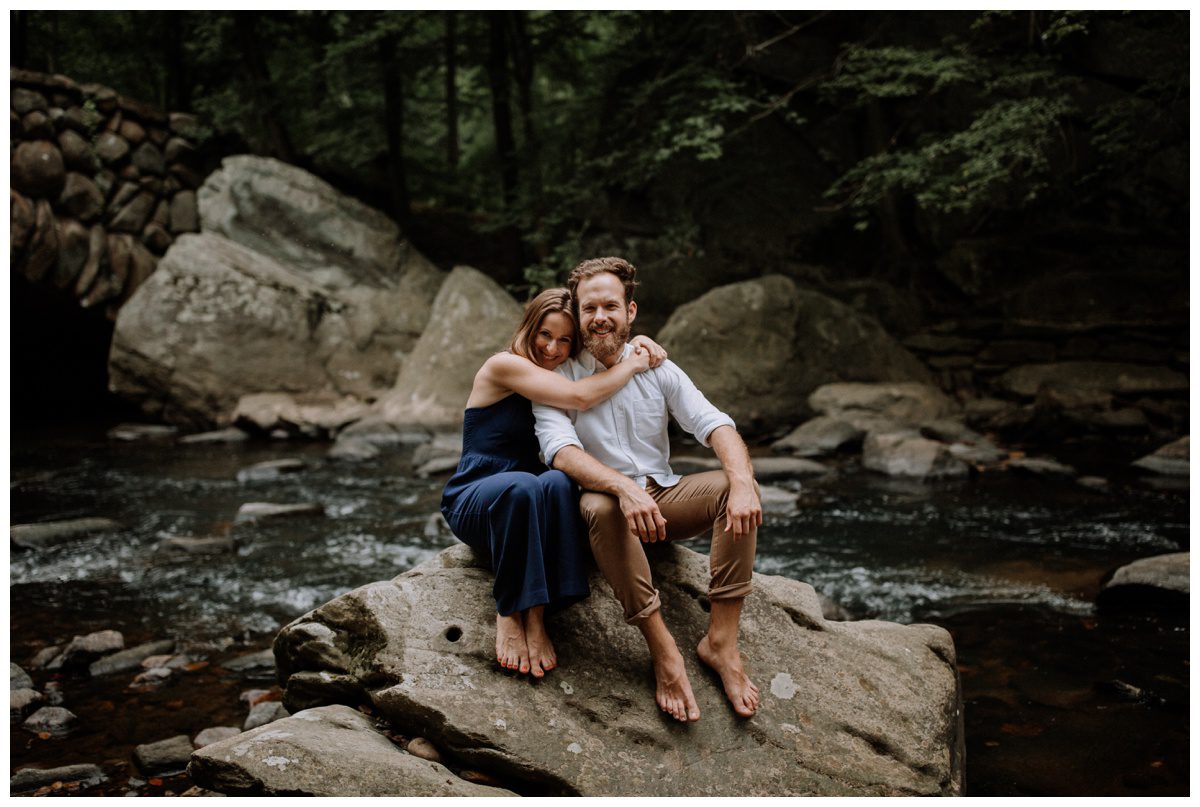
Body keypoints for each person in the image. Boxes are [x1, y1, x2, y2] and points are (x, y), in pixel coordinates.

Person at [532, 257, 763, 722]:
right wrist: (623, 488)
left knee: (733, 486)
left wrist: (742, 483)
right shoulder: (556, 376)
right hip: (603, 509)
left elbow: (714, 423)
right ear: (576, 313)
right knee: (602, 505)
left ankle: (721, 643)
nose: (600, 317)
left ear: (630, 311)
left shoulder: (657, 366)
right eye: (589, 308)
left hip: (663, 499)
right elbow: (561, 452)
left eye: (610, 307)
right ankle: (663, 649)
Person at [440, 288, 666, 679]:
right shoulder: (504, 365)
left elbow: (607, 350)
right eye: (545, 334)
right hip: (477, 499)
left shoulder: (563, 371)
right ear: (528, 326)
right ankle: (510, 610)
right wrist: (635, 364)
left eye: (564, 340)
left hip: (531, 502)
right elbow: (580, 397)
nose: (552, 348)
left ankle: (538, 615)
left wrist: (638, 343)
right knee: (525, 485)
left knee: (559, 480)